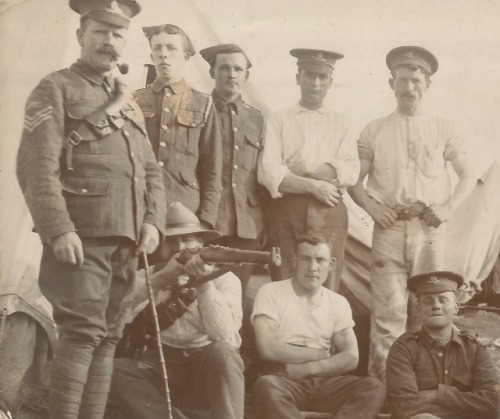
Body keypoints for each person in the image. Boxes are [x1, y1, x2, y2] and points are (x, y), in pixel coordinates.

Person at [15, 1, 166, 418]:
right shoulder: (55, 88)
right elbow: (35, 166)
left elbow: (152, 171)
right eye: (100, 31)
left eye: (118, 34)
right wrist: (57, 227)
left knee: (109, 338)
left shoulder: (128, 101)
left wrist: (153, 220)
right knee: (82, 335)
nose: (109, 41)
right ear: (81, 34)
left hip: (127, 240)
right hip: (81, 239)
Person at [348, 46, 477, 382]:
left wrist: (446, 208)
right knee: (388, 315)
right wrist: (372, 207)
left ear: (428, 84)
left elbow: (467, 174)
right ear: (391, 82)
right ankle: (383, 390)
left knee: (430, 313)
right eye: (402, 80)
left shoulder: (442, 126)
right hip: (389, 231)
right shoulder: (374, 129)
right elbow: (353, 179)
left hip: (429, 233)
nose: (409, 88)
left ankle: (428, 387)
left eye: (416, 81)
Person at [106, 202, 244, 419]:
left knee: (224, 353)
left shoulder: (225, 279)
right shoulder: (149, 274)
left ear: (200, 242)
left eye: (187, 239)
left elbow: (222, 333)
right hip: (158, 364)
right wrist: (161, 279)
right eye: (172, 240)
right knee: (114, 370)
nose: (180, 247)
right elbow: (116, 308)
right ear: (160, 246)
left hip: (205, 367)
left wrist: (204, 283)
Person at [251, 233, 385, 419]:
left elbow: (351, 357)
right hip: (284, 379)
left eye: (320, 260)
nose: (312, 267)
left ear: (331, 265)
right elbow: (268, 348)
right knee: (266, 386)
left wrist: (307, 368)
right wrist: (319, 354)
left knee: (373, 387)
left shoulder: (338, 302)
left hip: (326, 382)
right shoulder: (272, 292)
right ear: (294, 260)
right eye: (305, 259)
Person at [258, 48, 360, 291]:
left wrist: (298, 170)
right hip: (287, 210)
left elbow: (350, 171)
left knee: (325, 285)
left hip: (329, 209)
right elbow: (268, 171)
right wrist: (314, 184)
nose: (316, 83)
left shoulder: (342, 123)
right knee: (284, 282)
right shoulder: (278, 119)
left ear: (330, 82)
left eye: (322, 77)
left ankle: (322, 330)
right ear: (298, 77)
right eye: (310, 75)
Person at [135, 24, 222, 228]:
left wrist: (206, 221)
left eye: (171, 48)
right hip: (141, 208)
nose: (163, 54)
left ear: (186, 56)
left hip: (186, 212)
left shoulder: (203, 103)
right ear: (151, 55)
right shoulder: (134, 100)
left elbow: (212, 170)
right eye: (157, 48)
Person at [386, 271, 500, 419]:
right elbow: (404, 406)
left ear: (456, 307)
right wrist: (468, 407)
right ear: (418, 308)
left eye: (443, 299)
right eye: (428, 301)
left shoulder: (475, 348)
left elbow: (492, 402)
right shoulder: (403, 348)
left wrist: (439, 394)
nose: (436, 306)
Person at [199, 43, 265, 296]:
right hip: (207, 222)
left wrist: (263, 225)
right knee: (200, 297)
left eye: (238, 68)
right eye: (224, 67)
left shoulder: (257, 119)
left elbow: (262, 175)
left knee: (235, 298)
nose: (231, 74)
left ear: (246, 76)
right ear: (212, 73)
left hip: (246, 226)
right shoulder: (199, 110)